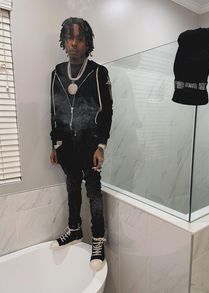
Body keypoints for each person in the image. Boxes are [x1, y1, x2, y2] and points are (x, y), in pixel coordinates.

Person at [49, 17, 113, 271]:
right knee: (72, 187)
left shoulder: (98, 72)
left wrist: (101, 146)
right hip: (66, 143)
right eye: (69, 38)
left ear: (88, 42)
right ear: (64, 41)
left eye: (80, 38)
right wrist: (55, 144)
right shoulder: (56, 72)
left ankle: (98, 240)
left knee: (94, 192)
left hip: (89, 142)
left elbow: (107, 111)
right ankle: (74, 229)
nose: (74, 43)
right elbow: (54, 109)